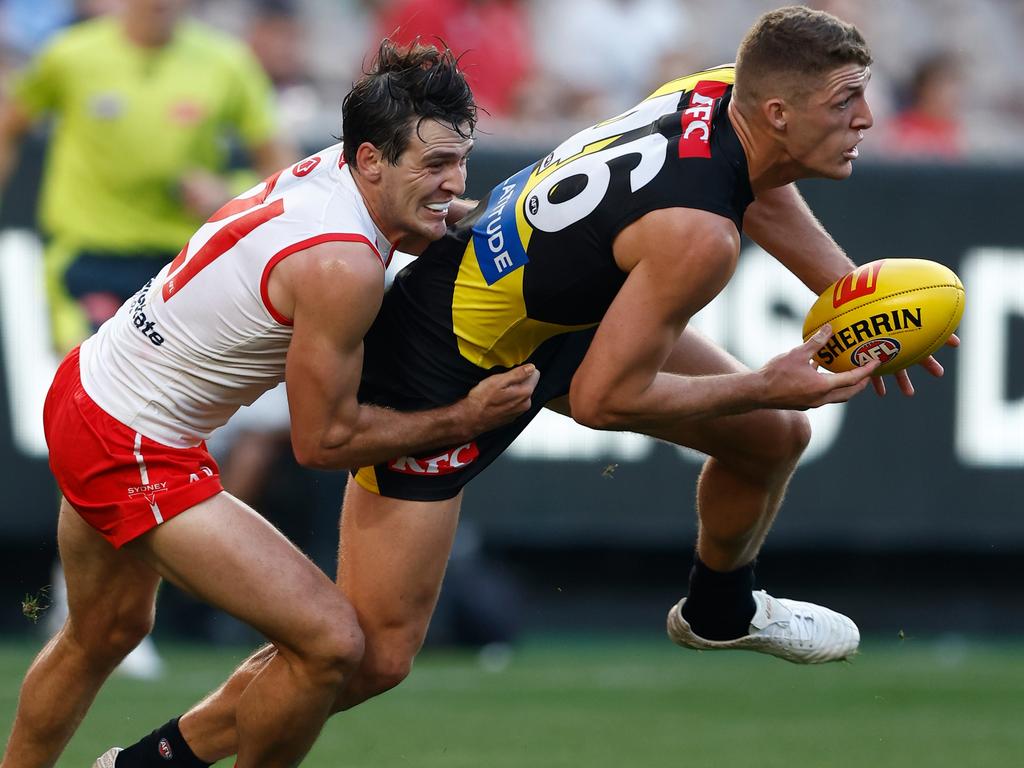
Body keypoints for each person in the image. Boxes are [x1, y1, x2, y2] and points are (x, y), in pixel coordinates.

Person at [99, 6, 959, 766]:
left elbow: (758, 188)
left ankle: (720, 608)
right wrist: (771, 382)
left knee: (772, 442)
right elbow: (604, 402)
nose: (867, 119)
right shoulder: (696, 237)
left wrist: (854, 297)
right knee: (372, 656)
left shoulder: (720, 92)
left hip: (547, 307)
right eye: (846, 101)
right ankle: (148, 765)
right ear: (777, 110)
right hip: (446, 354)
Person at [0, 40, 540, 768]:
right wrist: (464, 419)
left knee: (104, 633)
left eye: (460, 160)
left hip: (94, 388)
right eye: (435, 165)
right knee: (330, 643)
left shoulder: (336, 172)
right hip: (128, 438)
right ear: (372, 160)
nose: (455, 182)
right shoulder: (341, 263)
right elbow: (323, 442)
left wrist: (427, 215)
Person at [0, 0, 296, 353]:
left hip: (181, 263)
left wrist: (228, 193)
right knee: (89, 382)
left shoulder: (227, 62)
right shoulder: (70, 56)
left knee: (176, 399)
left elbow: (282, 169)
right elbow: (10, 126)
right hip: (87, 256)